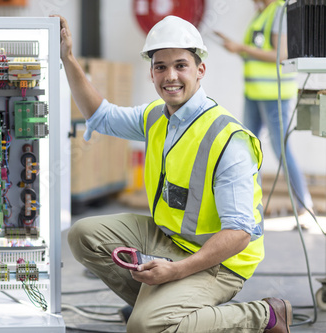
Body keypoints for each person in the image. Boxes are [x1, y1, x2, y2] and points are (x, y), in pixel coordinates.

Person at [53, 13, 292, 333]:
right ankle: (161, 303)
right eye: (161, 66)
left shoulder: (228, 140)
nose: (171, 76)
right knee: (83, 235)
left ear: (200, 70)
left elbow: (239, 234)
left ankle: (264, 315)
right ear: (152, 74)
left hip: (221, 262)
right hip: (170, 237)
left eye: (181, 65)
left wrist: (177, 271)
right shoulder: (156, 116)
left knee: (143, 327)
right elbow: (101, 115)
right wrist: (67, 57)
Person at [215, 0, 314, 222]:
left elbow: (281, 55)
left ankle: (304, 205)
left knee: (281, 148)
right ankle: (250, 205)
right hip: (255, 92)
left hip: (273, 94)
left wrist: (241, 48)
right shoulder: (262, 13)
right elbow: (259, 51)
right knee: (247, 147)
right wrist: (237, 49)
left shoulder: (279, 11)